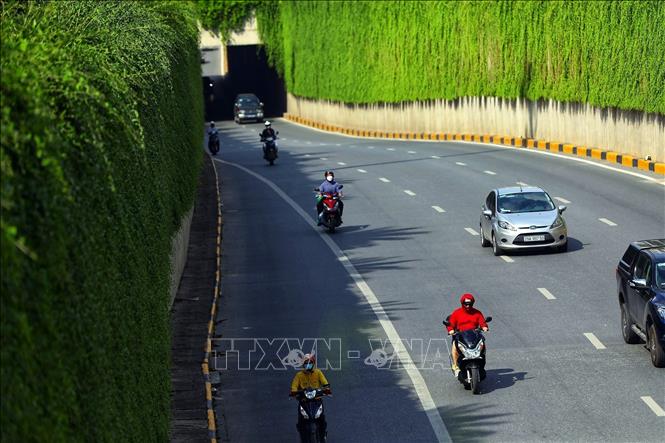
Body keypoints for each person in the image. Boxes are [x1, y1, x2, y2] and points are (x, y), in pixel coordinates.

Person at [445, 293, 488, 376]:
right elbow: (450, 324)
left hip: (474, 335)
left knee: (483, 345)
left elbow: (482, 322)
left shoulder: (477, 313)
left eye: (470, 304)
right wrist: (450, 330)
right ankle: (455, 366)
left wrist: (484, 327)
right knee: (454, 345)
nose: (468, 306)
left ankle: (482, 363)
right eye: (466, 304)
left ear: (472, 303)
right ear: (462, 303)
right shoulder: (457, 313)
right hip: (461, 336)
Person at [290, 354, 331, 438]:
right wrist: (294, 392)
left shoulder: (318, 372)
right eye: (306, 364)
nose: (308, 365)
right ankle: (302, 434)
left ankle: (323, 435)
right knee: (301, 420)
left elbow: (325, 382)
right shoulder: (299, 375)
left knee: (322, 419)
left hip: (317, 400)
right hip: (304, 401)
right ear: (303, 365)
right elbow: (294, 386)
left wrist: (326, 389)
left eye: (310, 363)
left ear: (313, 363)